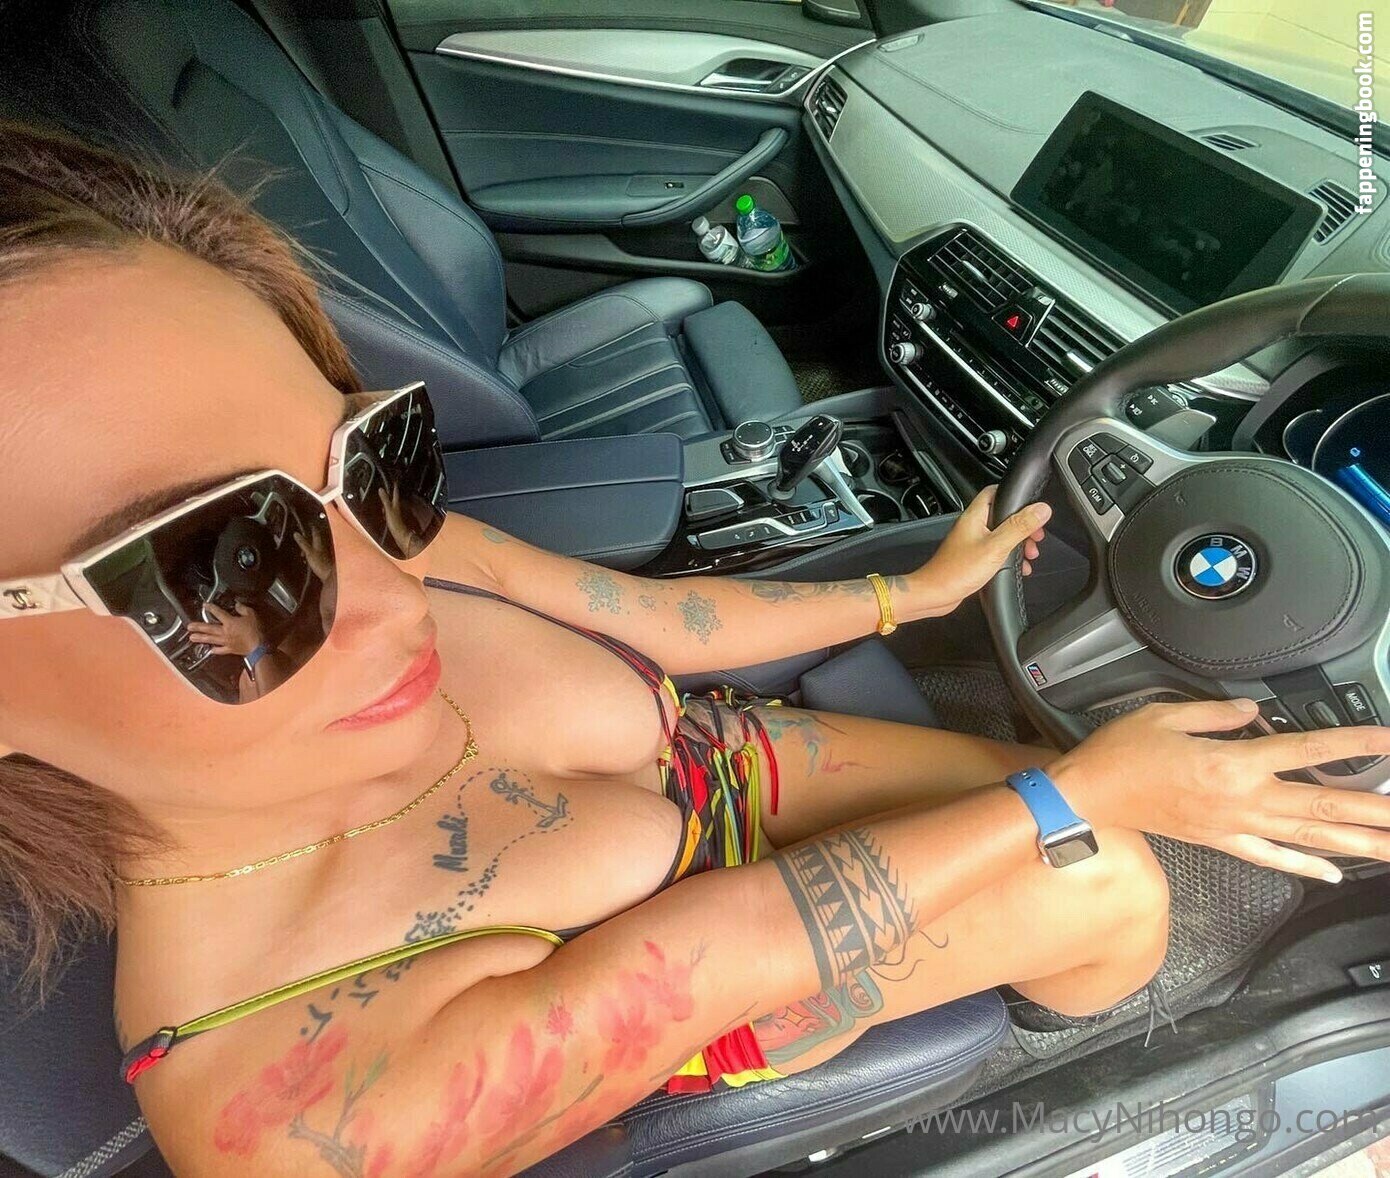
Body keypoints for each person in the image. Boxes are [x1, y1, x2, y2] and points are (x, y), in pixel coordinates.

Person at [1, 122, 1387, 1178]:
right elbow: (707, 957)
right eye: (217, 564)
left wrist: (912, 594)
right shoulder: (275, 1109)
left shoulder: (375, 554)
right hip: (697, 985)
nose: (393, 591)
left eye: (374, 462)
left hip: (716, 757)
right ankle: (1046, 1082)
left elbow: (666, 624)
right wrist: (1082, 794)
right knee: (1115, 890)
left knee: (1079, 809)